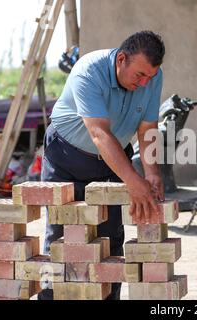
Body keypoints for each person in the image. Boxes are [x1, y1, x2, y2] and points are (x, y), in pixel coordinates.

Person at [38, 31, 166, 300]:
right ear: (121, 59)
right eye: (139, 76)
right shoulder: (89, 70)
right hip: (66, 157)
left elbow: (148, 129)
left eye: (150, 77)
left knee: (109, 240)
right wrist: (134, 181)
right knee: (61, 240)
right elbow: (99, 134)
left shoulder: (152, 78)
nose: (145, 83)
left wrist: (152, 174)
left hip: (112, 162)